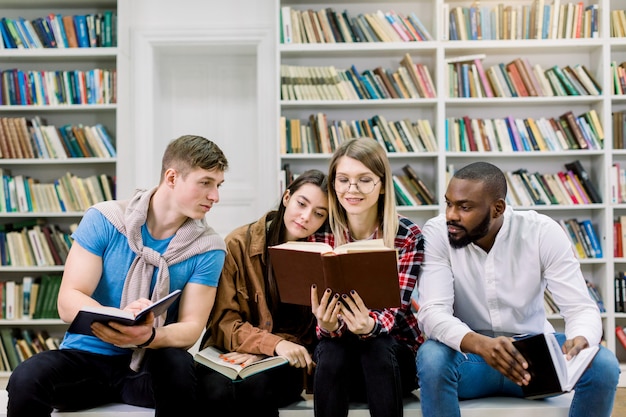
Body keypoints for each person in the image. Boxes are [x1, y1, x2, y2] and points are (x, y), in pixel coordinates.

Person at [7, 135, 229, 417]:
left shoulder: (208, 247)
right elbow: (68, 301)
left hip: (148, 364)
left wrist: (146, 336)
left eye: (218, 185)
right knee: (26, 377)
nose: (215, 196)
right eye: (206, 182)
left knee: (178, 366)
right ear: (172, 177)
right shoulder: (105, 218)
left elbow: (191, 327)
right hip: (87, 358)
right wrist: (120, 318)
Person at [416, 161, 620, 417]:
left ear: (497, 208)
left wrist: (581, 339)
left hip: (533, 363)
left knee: (603, 365)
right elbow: (433, 312)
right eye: (449, 203)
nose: (451, 215)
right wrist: (481, 345)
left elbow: (580, 308)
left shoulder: (541, 232)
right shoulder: (437, 233)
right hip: (469, 358)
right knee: (432, 358)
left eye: (464, 207)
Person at [196, 169, 329, 417]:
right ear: (287, 197)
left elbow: (311, 332)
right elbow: (223, 321)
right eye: (301, 203)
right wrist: (272, 344)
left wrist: (268, 352)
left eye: (319, 214)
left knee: (257, 387)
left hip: (283, 364)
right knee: (214, 391)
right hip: (227, 355)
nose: (306, 217)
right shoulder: (238, 243)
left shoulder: (321, 255)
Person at [310, 137, 424, 417]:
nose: (352, 189)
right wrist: (327, 324)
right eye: (343, 179)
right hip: (340, 362)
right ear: (333, 183)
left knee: (376, 345)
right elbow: (321, 317)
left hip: (393, 357)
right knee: (332, 349)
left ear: (382, 184)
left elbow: (394, 312)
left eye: (364, 180)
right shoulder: (320, 233)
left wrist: (369, 326)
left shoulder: (407, 235)